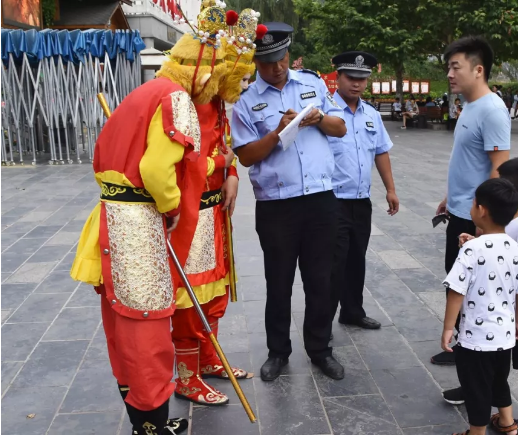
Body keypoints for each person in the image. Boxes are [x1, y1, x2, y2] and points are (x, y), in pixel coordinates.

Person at [68, 3, 236, 431]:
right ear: (200, 73)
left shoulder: (145, 92)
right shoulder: (175, 98)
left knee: (123, 326)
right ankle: (153, 425)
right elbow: (156, 172)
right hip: (139, 227)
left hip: (113, 216)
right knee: (146, 329)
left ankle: (144, 420)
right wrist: (174, 209)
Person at [231, 22, 347, 381]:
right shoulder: (246, 102)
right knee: (278, 281)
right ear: (255, 62)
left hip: (319, 200)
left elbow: (340, 127)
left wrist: (317, 119)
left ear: (288, 54)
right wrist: (278, 132)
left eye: (280, 58)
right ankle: (278, 352)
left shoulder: (312, 84)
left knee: (320, 279)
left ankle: (320, 349)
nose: (277, 67)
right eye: (267, 62)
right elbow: (247, 155)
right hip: (277, 206)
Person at [168, 6, 261, 406]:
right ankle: (186, 376)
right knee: (190, 296)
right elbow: (183, 162)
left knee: (213, 290)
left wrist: (233, 173)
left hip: (215, 212)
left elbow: (224, 145)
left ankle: (208, 359)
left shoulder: (216, 101)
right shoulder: (178, 102)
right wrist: (222, 164)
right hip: (189, 215)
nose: (236, 82)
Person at [441, 158, 518, 432]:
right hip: (507, 328)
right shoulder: (510, 240)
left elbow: (457, 291)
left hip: (490, 330)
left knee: (489, 382)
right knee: (497, 379)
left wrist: (448, 327)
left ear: (482, 209)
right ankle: (507, 423)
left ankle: (487, 427)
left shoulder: (516, 231)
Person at [430, 36, 511, 366]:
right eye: (448, 67)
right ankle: (462, 343)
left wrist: (484, 224)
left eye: (455, 67)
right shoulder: (470, 107)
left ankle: (469, 350)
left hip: (474, 217)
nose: (449, 73)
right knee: (457, 278)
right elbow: (470, 162)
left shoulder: (491, 110)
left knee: (468, 286)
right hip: (461, 209)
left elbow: (499, 169)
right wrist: (450, 197)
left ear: (478, 70)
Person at [328, 51, 399, 330]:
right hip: (333, 202)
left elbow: (381, 151)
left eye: (362, 79)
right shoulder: (326, 112)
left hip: (361, 201)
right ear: (338, 78)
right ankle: (323, 323)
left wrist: (390, 189)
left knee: (357, 259)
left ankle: (352, 311)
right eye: (351, 78)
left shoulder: (371, 114)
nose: (356, 84)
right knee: (333, 265)